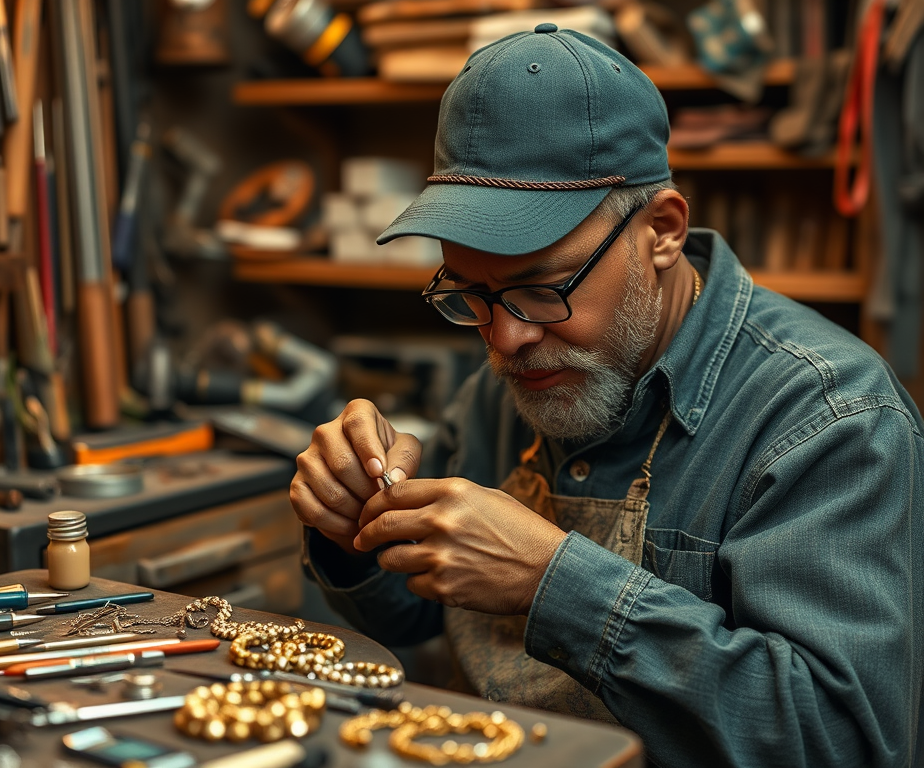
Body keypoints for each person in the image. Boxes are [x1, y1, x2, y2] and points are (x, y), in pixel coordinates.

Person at [289, 24, 924, 768]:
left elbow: (844, 741)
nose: (504, 339)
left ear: (661, 230)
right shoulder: (523, 377)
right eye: (469, 294)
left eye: (540, 286)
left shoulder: (829, 418)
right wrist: (354, 531)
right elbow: (414, 612)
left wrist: (553, 584)